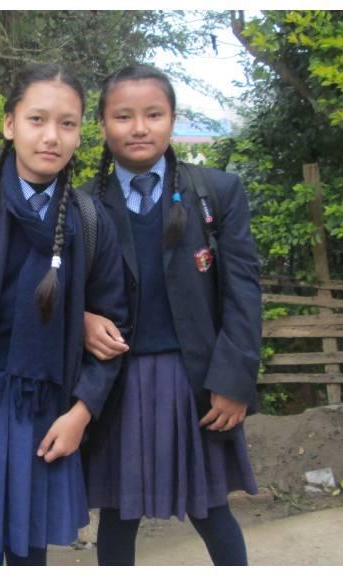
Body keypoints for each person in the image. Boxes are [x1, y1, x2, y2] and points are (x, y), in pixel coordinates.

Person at [0, 63, 128, 566]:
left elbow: (114, 329)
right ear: (9, 124)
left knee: (31, 557)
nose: (51, 136)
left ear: (81, 133)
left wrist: (81, 412)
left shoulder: (90, 222)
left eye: (67, 123)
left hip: (49, 417)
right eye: (37, 119)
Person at [79, 64, 262, 566]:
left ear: (173, 120)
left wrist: (234, 380)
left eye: (153, 115)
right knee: (118, 514)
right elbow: (60, 292)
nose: (139, 128)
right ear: (102, 125)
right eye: (123, 116)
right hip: (116, 383)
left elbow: (243, 291)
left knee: (211, 508)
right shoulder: (83, 206)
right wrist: (82, 321)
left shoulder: (216, 193)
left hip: (195, 380)